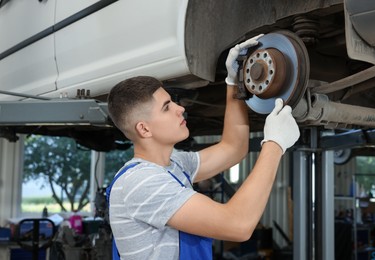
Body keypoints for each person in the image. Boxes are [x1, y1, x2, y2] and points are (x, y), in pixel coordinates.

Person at [106, 34, 300, 260]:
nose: (180, 108)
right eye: (167, 107)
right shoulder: (142, 182)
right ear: (144, 129)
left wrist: (234, 83)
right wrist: (274, 145)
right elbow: (238, 224)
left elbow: (233, 148)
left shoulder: (174, 164)